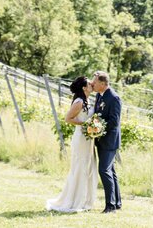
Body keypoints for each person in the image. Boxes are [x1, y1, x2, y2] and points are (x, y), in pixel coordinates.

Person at [45, 76, 97, 212]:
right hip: (81, 138)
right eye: (89, 83)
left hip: (88, 138)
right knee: (80, 168)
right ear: (84, 88)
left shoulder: (87, 100)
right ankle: (74, 200)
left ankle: (84, 199)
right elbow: (68, 119)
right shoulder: (79, 102)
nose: (92, 84)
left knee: (87, 167)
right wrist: (86, 125)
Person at [90, 71, 122, 213]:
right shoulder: (99, 95)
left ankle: (110, 206)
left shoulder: (114, 98)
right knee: (111, 171)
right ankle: (117, 203)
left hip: (110, 141)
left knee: (104, 170)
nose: (92, 84)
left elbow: (114, 121)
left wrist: (98, 128)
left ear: (103, 84)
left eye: (95, 82)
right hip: (100, 139)